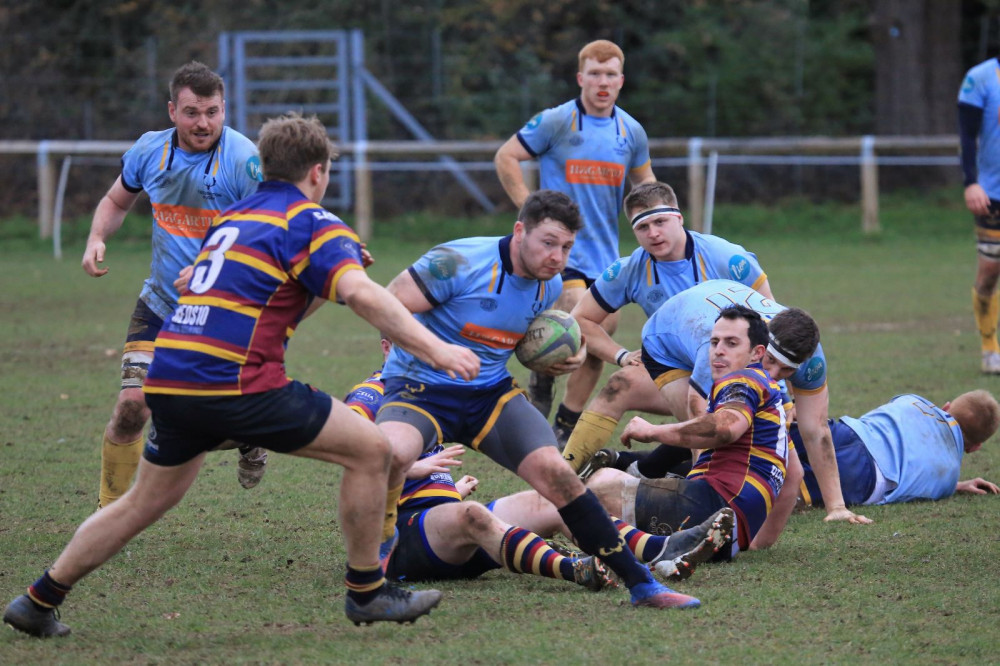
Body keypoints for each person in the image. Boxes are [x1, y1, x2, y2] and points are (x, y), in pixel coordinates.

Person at [1, 113, 482, 638]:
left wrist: (328, 278)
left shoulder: (232, 220)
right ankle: (368, 592)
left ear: (262, 166)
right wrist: (438, 349)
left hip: (170, 376)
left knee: (143, 502)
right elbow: (363, 295)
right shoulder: (311, 223)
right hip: (234, 380)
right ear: (318, 173)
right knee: (372, 451)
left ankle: (37, 599)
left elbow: (212, 282)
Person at [376, 189, 701, 609]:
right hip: (420, 387)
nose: (557, 257)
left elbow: (512, 339)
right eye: (548, 242)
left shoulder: (547, 287)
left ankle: (644, 586)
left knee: (560, 476)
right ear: (519, 232)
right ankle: (375, 562)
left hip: (487, 395)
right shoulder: (456, 262)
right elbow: (385, 305)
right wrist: (437, 352)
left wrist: (554, 360)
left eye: (566, 247)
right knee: (391, 456)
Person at [342, 339, 734, 588]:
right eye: (408, 345)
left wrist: (445, 486)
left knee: (555, 498)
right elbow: (354, 455)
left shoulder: (429, 393)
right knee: (472, 516)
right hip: (401, 538)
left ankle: (661, 550)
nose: (421, 353)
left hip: (440, 519)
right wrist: (412, 470)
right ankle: (574, 569)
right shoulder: (370, 395)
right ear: (386, 346)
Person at [81, 61, 266, 507]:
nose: (203, 123)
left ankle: (249, 434)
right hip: (161, 303)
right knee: (131, 408)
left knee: (197, 418)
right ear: (172, 111)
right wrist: (96, 237)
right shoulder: (149, 151)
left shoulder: (244, 161)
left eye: (212, 111)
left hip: (223, 310)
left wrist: (214, 271)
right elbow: (115, 199)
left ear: (225, 110)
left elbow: (269, 234)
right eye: (191, 112)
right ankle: (107, 513)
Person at [570, 278, 872, 540]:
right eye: (770, 363)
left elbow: (815, 430)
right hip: (667, 339)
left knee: (752, 429)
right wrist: (701, 495)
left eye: (786, 371)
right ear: (759, 349)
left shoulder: (811, 360)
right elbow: (702, 417)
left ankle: (637, 470)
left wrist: (837, 507)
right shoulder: (719, 347)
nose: (775, 375)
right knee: (709, 431)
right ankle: (643, 478)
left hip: (714, 312)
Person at [494, 39, 656, 429]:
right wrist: (529, 209)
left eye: (611, 74)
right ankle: (544, 374)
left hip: (606, 254)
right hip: (560, 251)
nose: (603, 82)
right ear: (581, 77)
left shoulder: (630, 131)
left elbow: (646, 183)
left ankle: (565, 420)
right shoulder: (557, 120)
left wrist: (655, 218)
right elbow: (506, 156)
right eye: (595, 74)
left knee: (598, 333)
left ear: (621, 80)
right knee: (581, 314)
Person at [559, 181, 772, 448]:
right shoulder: (629, 270)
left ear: (679, 218)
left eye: (660, 221)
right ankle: (566, 477)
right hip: (677, 372)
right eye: (643, 227)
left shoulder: (726, 258)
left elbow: (771, 320)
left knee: (718, 441)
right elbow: (579, 319)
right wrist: (620, 355)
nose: (653, 233)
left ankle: (649, 466)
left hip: (735, 373)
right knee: (619, 385)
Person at [588, 305, 788, 555]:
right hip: (730, 529)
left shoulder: (743, 380)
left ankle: (660, 549)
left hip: (716, 508)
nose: (718, 351)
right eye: (714, 342)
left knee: (596, 487)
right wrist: (758, 540)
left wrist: (651, 431)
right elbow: (793, 472)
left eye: (732, 343)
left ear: (756, 353)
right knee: (590, 510)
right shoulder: (768, 392)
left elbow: (724, 428)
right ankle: (659, 545)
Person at [793, 391, 1000, 507]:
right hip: (866, 475)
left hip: (848, 432)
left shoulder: (914, 400)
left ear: (946, 407)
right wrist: (955, 485)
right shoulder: (948, 476)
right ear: (974, 447)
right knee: (782, 488)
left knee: (770, 439)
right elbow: (918, 477)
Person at [958, 58, 1000, 374]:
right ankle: (989, 347)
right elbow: (966, 136)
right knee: (989, 272)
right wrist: (971, 182)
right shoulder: (981, 78)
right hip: (992, 194)